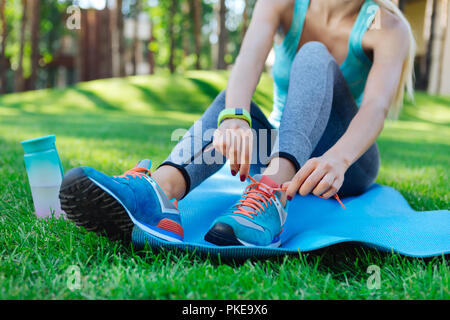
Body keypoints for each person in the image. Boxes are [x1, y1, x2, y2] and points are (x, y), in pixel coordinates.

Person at [59, 0, 416, 248]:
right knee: (230, 107)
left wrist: (338, 159)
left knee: (313, 53)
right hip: (284, 144)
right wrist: (235, 118)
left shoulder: (389, 27)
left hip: (346, 162)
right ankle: (162, 193)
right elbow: (248, 59)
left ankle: (271, 197)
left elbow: (375, 107)